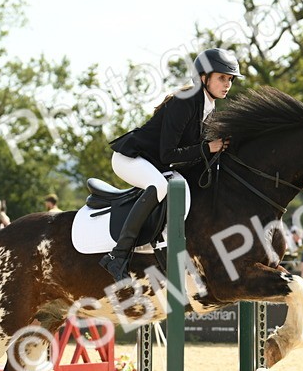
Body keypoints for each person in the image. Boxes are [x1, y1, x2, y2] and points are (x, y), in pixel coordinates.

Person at [99, 47, 242, 281]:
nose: (227, 84)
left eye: (230, 79)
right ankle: (118, 255)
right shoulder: (184, 102)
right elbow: (169, 154)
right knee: (163, 187)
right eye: (222, 78)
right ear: (204, 77)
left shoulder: (210, 108)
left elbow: (190, 158)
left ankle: (163, 246)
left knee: (181, 188)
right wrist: (208, 148)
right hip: (131, 158)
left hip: (156, 164)